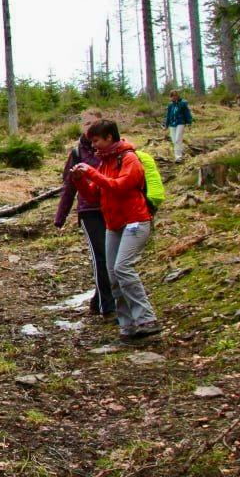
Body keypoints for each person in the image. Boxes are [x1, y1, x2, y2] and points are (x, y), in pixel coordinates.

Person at [71, 119, 162, 341]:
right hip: (114, 224)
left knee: (122, 267)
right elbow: (93, 194)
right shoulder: (104, 163)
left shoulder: (129, 159)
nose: (93, 146)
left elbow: (120, 186)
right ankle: (128, 325)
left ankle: (146, 318)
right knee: (112, 273)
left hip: (136, 221)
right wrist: (80, 181)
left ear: (109, 138)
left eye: (96, 141)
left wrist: (91, 173)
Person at [55, 110, 114, 318]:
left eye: (93, 123)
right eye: (86, 123)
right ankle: (107, 305)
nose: (89, 127)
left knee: (113, 257)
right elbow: (69, 187)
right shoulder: (77, 152)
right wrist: (60, 217)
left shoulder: (112, 149)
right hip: (89, 210)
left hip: (113, 207)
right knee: (101, 256)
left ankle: (100, 298)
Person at [164, 90, 193, 161]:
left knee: (177, 139)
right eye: (172, 96)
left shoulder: (183, 104)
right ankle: (179, 152)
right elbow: (168, 115)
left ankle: (178, 157)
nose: (174, 97)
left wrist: (189, 122)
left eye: (175, 95)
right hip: (172, 124)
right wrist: (166, 125)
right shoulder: (170, 105)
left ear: (177, 96)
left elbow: (187, 113)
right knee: (174, 141)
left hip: (180, 123)